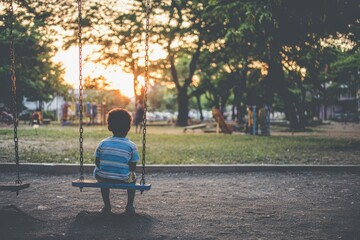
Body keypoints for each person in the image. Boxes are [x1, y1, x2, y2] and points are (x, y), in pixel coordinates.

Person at [93, 108, 140, 214]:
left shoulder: (102, 143)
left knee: (100, 173)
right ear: (129, 127)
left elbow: (97, 161)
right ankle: (129, 206)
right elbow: (133, 167)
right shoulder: (132, 146)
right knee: (133, 178)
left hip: (104, 177)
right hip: (122, 178)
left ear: (109, 126)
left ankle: (107, 206)